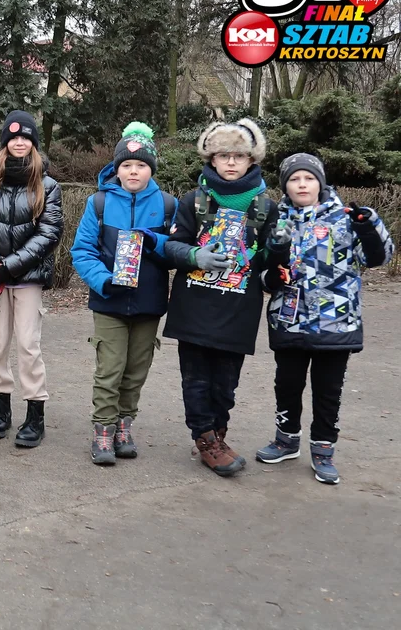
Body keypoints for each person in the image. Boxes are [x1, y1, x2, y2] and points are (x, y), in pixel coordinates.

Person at [255, 153, 393, 484]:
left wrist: (368, 225)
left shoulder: (346, 218)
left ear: (320, 182)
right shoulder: (276, 221)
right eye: (294, 179)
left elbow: (378, 258)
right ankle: (286, 439)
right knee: (286, 384)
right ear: (285, 186)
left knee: (328, 390)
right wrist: (272, 275)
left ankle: (323, 449)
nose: (302, 184)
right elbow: (260, 272)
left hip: (337, 320)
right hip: (289, 319)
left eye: (309, 178)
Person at [163, 119, 279, 477]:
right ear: (211, 159)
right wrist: (194, 256)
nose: (231, 162)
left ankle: (219, 434)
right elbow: (170, 247)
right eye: (223, 155)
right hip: (195, 309)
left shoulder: (266, 206)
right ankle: (206, 439)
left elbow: (270, 264)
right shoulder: (193, 200)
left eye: (239, 155)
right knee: (196, 380)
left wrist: (280, 255)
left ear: (251, 159)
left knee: (226, 385)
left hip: (238, 312)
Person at [70, 122, 177, 465]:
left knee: (136, 370)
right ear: (117, 169)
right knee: (110, 368)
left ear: (151, 169)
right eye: (127, 165)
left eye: (141, 165)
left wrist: (155, 242)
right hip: (109, 301)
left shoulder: (167, 205)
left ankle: (123, 427)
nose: (134, 171)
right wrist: (104, 280)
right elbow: (82, 250)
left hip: (149, 303)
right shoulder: (98, 203)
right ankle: (102, 431)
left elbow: (178, 250)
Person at [0, 110, 63, 448]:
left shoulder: (47, 185)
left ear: (33, 143)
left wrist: (11, 266)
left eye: (26, 137)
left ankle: (35, 416)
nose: (19, 142)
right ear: (5, 142)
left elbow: (49, 233)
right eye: (13, 137)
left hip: (28, 278)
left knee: (27, 345)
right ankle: (1, 411)